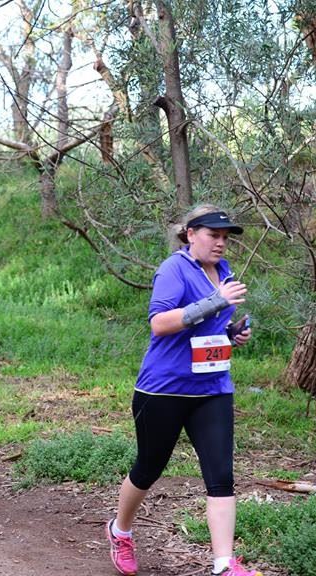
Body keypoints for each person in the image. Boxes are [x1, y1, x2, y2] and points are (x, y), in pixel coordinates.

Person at [106, 205, 258, 576]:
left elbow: (206, 330)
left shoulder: (223, 272)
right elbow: (159, 323)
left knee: (221, 475)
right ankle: (120, 530)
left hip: (213, 388)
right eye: (213, 235)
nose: (221, 243)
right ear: (190, 234)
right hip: (164, 389)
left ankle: (224, 564)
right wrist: (216, 301)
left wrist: (230, 334)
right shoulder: (174, 268)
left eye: (225, 237)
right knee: (148, 467)